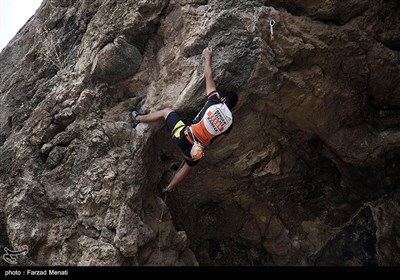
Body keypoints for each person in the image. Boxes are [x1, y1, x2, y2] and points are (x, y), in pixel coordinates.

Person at [130, 47, 238, 193]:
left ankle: (138, 118)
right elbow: (215, 141)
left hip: (183, 136)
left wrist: (207, 57)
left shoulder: (215, 101)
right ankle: (168, 188)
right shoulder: (229, 124)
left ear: (224, 99)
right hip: (194, 151)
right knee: (188, 166)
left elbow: (208, 76)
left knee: (167, 112)